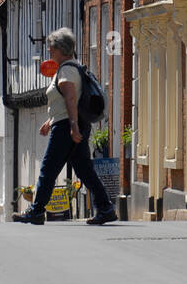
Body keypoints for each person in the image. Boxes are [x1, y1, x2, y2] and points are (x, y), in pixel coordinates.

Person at [13, 28, 117, 225]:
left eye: (51, 48)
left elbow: (70, 98)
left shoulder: (67, 70)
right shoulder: (71, 67)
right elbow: (64, 102)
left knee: (48, 168)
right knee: (85, 169)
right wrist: (50, 121)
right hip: (68, 124)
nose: (49, 51)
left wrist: (72, 126)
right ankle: (105, 208)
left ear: (61, 49)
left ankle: (36, 211)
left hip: (67, 128)